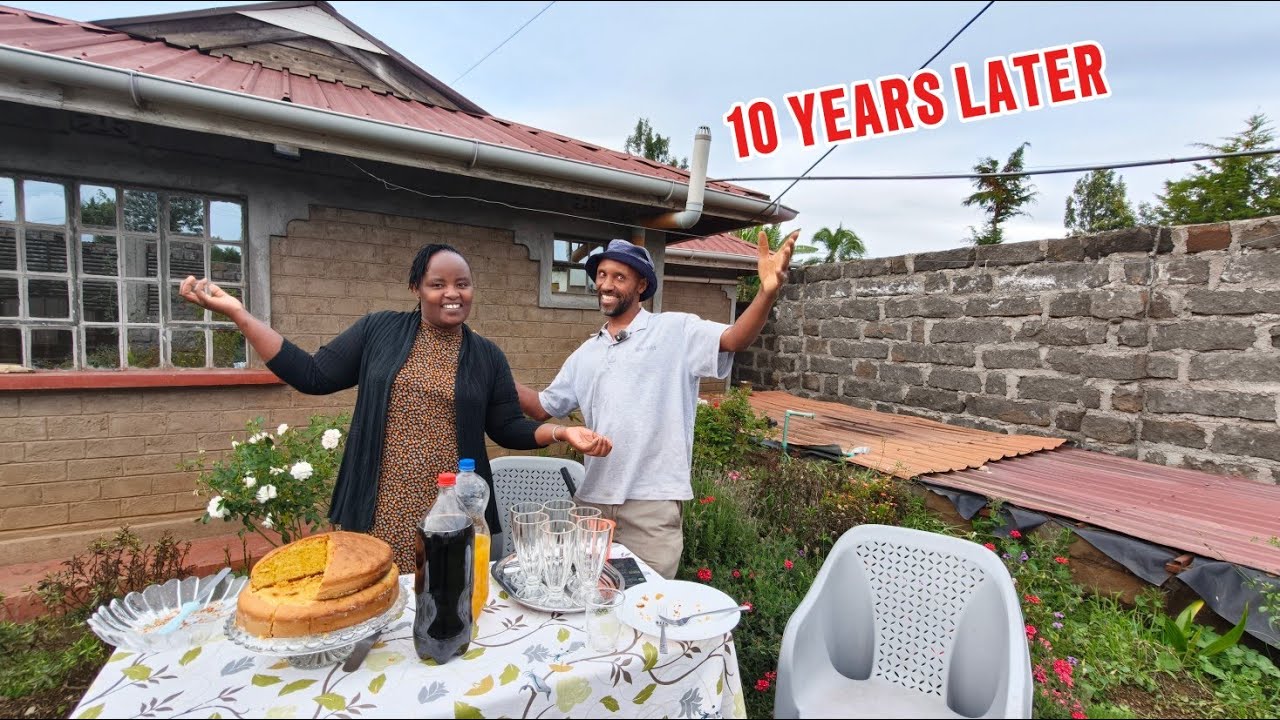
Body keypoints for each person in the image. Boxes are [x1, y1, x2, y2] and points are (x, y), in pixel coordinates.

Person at [179, 243, 612, 573]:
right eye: (437, 284)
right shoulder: (378, 331)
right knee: (372, 600)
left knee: (442, 600)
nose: (452, 293)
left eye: (462, 283)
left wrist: (560, 433)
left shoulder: (486, 356)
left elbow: (507, 427)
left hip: (451, 509)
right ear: (416, 289)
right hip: (378, 504)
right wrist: (239, 314)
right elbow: (312, 375)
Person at [516, 231, 798, 578]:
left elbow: (735, 337)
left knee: (647, 606)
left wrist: (766, 293)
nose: (607, 284)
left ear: (640, 286)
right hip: (592, 505)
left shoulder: (675, 330)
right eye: (602, 275)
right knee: (584, 599)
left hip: (651, 507)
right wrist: (496, 372)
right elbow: (542, 408)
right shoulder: (585, 354)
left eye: (619, 277)